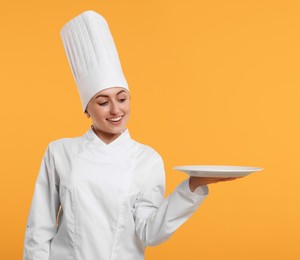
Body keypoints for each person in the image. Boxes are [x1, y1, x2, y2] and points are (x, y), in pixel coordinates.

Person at [23, 10, 238, 260]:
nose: (116, 110)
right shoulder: (59, 152)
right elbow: (39, 229)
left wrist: (193, 186)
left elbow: (150, 233)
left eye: (122, 99)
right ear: (86, 109)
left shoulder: (147, 159)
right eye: (103, 102)